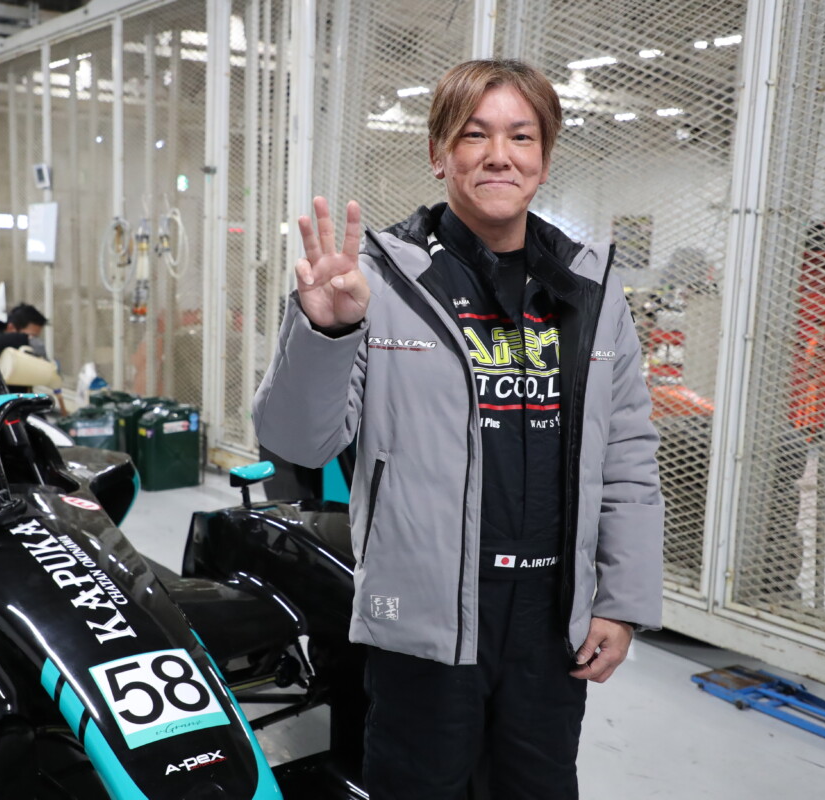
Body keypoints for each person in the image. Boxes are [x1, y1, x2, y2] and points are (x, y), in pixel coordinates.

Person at [252, 59, 663, 799]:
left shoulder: (591, 290)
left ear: (544, 158)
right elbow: (298, 442)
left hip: (550, 621)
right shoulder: (380, 282)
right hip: (426, 619)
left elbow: (628, 455)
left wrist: (620, 600)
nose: (499, 155)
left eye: (521, 136)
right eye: (474, 135)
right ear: (439, 154)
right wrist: (326, 332)